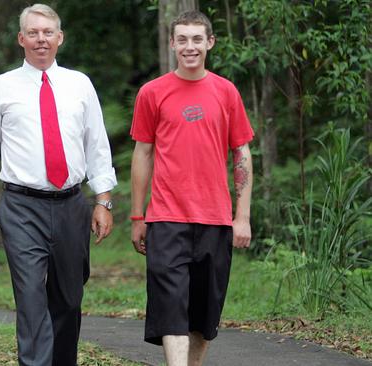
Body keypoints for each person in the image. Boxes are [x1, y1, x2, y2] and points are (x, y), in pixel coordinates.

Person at [0, 4, 117, 365]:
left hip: (71, 205)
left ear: (60, 38)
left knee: (68, 299)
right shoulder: (0, 88)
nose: (41, 39)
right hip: (21, 208)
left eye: (48, 32)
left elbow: (96, 143)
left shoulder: (80, 84)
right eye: (33, 33)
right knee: (31, 298)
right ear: (21, 39)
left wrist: (103, 200)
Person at [129, 10, 254, 366]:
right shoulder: (152, 93)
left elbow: (242, 153)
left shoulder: (226, 92)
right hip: (167, 217)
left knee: (204, 312)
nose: (189, 46)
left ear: (209, 43)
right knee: (170, 305)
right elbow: (143, 154)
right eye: (182, 39)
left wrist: (241, 216)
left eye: (197, 39)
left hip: (215, 218)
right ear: (172, 44)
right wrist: (138, 216)